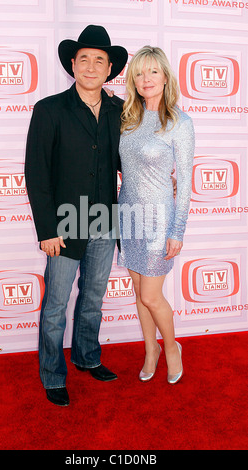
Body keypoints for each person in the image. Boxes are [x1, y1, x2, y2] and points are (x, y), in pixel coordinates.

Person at [25, 25, 128, 406]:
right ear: (72, 64)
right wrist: (47, 229)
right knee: (55, 303)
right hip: (64, 224)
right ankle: (52, 375)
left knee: (94, 296)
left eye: (99, 60)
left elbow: (126, 159)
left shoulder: (120, 109)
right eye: (83, 58)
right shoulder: (49, 109)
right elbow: (37, 172)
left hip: (104, 218)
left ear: (109, 69)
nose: (90, 66)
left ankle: (87, 357)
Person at [117, 46, 195, 384]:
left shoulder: (179, 121)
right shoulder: (127, 117)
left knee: (151, 295)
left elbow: (187, 181)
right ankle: (151, 350)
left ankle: (172, 347)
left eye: (152, 72)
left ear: (165, 76)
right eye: (139, 73)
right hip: (128, 214)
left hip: (158, 220)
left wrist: (177, 231)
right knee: (138, 294)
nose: (145, 79)